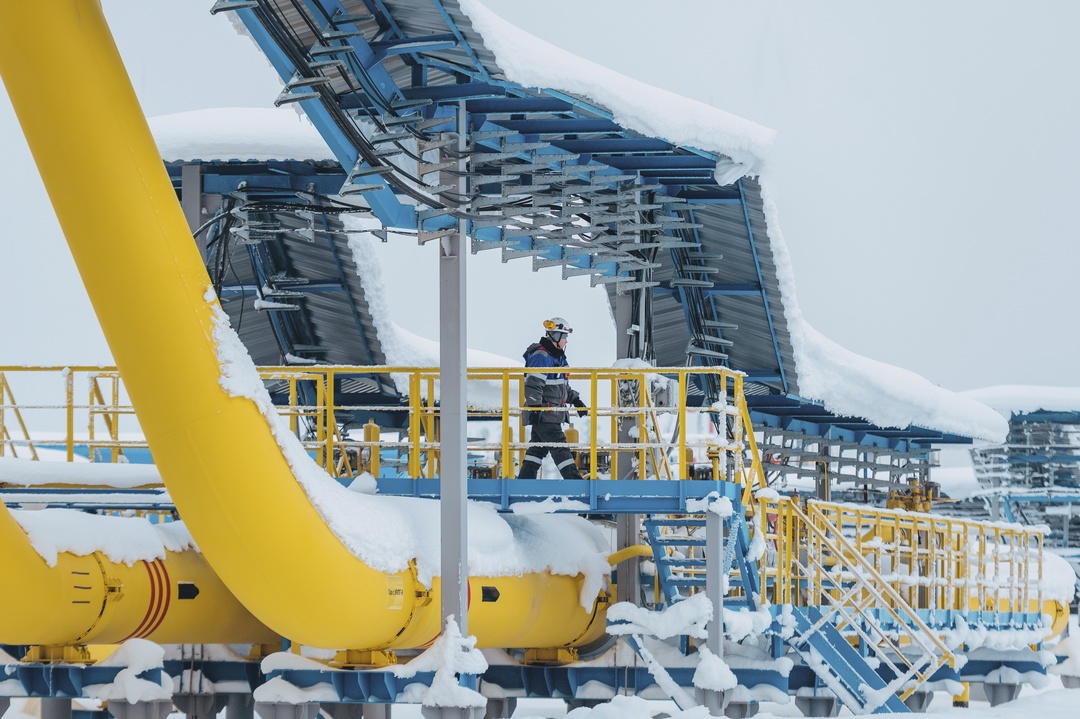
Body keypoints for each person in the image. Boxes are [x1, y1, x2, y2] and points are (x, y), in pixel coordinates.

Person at [517, 317, 588, 479]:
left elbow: (560, 387)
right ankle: (574, 482)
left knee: (537, 448)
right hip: (545, 412)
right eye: (564, 337)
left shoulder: (558, 358)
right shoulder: (542, 356)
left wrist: (575, 400)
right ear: (555, 337)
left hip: (552, 412)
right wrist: (535, 408)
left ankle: (524, 481)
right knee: (559, 446)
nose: (566, 342)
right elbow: (533, 384)